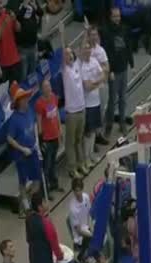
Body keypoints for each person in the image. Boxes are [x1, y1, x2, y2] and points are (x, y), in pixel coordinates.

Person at [6, 82, 41, 218]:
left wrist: (37, 142)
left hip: (33, 151)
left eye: (27, 97)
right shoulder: (14, 119)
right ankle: (24, 208)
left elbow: (34, 125)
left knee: (37, 180)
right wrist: (22, 149)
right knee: (23, 182)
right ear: (19, 101)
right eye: (24, 98)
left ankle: (31, 204)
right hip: (22, 156)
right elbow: (9, 138)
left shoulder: (30, 110)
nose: (27, 99)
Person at [102, 7, 134, 137]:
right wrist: (110, 70)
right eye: (115, 16)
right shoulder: (106, 32)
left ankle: (122, 122)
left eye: (118, 16)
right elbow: (107, 53)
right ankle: (109, 125)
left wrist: (132, 64)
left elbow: (128, 47)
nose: (117, 18)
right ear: (111, 17)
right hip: (113, 72)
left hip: (124, 68)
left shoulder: (124, 29)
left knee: (123, 99)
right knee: (112, 100)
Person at [61, 45, 88, 178]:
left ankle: (81, 164)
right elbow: (62, 52)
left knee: (79, 139)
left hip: (81, 108)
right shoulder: (65, 71)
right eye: (67, 54)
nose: (70, 56)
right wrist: (62, 35)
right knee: (70, 142)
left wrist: (85, 33)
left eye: (71, 53)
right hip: (71, 112)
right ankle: (72, 168)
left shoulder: (77, 65)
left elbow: (82, 48)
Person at [80, 39, 106, 167]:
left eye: (88, 48)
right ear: (82, 51)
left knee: (95, 130)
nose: (87, 50)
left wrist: (94, 82)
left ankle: (91, 155)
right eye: (85, 48)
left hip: (96, 101)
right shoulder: (82, 66)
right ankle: (86, 158)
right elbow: (87, 87)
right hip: (87, 104)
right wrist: (97, 82)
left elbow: (103, 76)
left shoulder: (95, 61)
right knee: (88, 132)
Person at [35, 79, 63, 194]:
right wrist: (41, 139)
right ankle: (45, 190)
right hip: (47, 139)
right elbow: (39, 121)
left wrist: (60, 130)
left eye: (49, 86)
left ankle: (54, 184)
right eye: (45, 87)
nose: (48, 88)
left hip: (55, 136)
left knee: (53, 162)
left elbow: (56, 116)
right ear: (42, 89)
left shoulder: (54, 98)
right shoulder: (39, 104)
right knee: (46, 165)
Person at [87, 26, 110, 146]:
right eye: (92, 35)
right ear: (88, 36)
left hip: (100, 85)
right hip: (89, 89)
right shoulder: (85, 50)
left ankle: (98, 135)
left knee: (101, 111)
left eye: (95, 34)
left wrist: (100, 73)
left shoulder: (100, 50)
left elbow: (106, 67)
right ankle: (91, 140)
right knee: (92, 114)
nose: (94, 37)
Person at [14, 0, 43, 80]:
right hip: (22, 48)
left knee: (33, 72)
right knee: (23, 74)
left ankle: (34, 91)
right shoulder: (16, 3)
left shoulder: (33, 1)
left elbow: (41, 13)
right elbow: (17, 18)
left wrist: (35, 6)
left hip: (33, 45)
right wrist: (24, 5)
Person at [0, 0, 21, 84]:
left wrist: (15, 19)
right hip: (4, 64)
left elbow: (18, 29)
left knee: (19, 89)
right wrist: (4, 24)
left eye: (0, 3)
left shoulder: (7, 13)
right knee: (10, 93)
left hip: (15, 59)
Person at [69, 177, 93, 258]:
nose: (78, 193)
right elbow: (79, 231)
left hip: (88, 229)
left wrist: (91, 228)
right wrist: (91, 235)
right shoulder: (73, 208)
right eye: (76, 191)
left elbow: (90, 214)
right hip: (80, 237)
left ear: (82, 189)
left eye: (79, 190)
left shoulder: (86, 197)